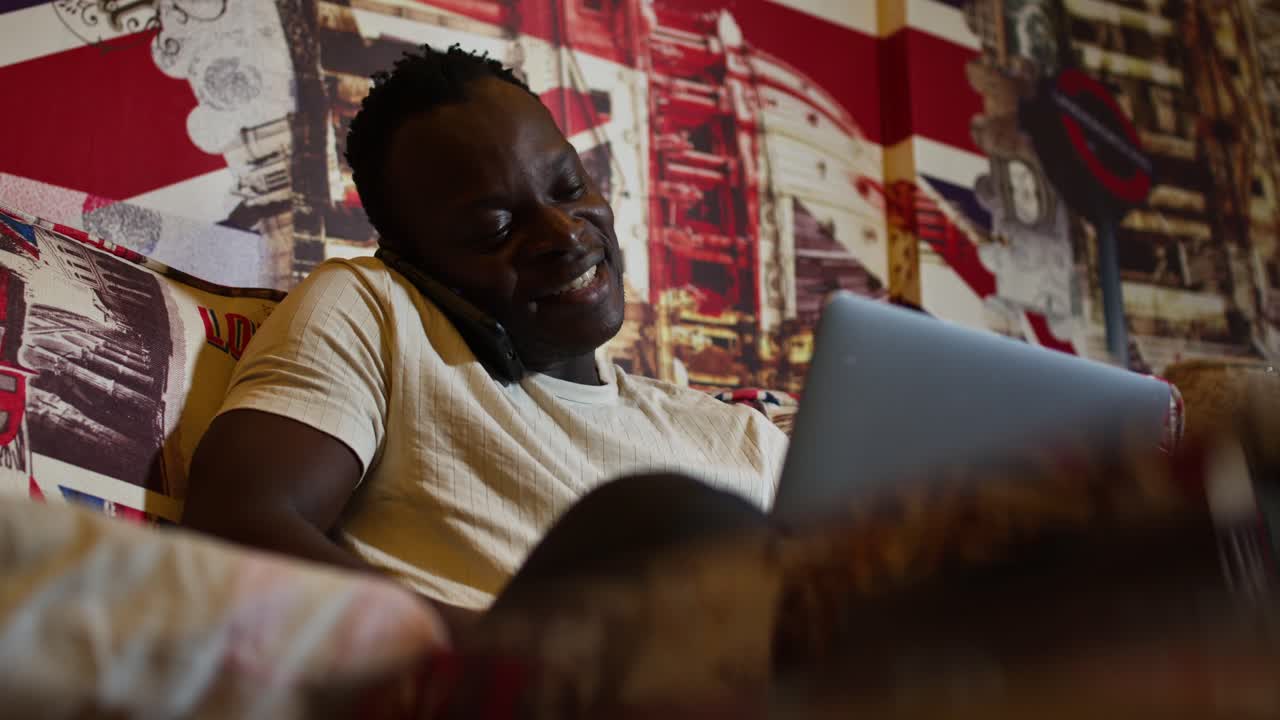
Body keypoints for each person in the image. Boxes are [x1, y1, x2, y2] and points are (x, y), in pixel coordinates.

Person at [181, 44, 789, 633]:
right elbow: (237, 527)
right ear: (411, 261)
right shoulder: (379, 308)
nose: (565, 233)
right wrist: (532, 669)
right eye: (495, 228)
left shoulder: (744, 440)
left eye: (569, 188)